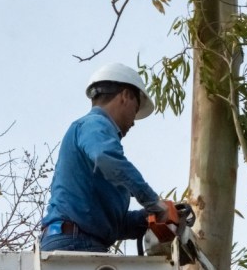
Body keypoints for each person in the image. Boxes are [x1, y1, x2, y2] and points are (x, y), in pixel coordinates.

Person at [39, 63, 167, 252]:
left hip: (75, 239)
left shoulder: (92, 136)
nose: (133, 122)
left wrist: (147, 217)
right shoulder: (94, 124)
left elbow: (109, 226)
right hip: (75, 242)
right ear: (125, 96)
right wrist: (153, 201)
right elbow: (105, 157)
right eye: (135, 109)